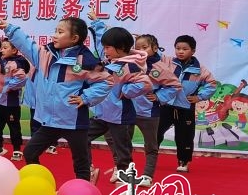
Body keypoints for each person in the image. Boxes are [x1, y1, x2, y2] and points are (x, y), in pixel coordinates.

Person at [0, 18, 112, 181]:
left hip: (73, 122)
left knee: (81, 163)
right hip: (49, 121)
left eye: (60, 32)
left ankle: (84, 192)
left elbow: (106, 81)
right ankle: (38, 182)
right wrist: (10, 29)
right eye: (55, 31)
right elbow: (26, 44)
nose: (55, 36)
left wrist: (85, 97)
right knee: (30, 152)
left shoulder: (85, 60)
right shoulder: (45, 53)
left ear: (74, 38)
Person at [86, 26, 152, 184]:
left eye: (107, 47)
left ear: (121, 48)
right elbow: (105, 42)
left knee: (123, 154)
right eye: (104, 46)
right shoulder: (110, 60)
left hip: (120, 116)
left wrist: (126, 90)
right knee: (82, 136)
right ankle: (88, 170)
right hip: (102, 114)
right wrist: (97, 24)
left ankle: (126, 186)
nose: (104, 50)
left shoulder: (130, 65)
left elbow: (146, 84)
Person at [157, 35, 217, 172]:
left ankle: (183, 162)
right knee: (156, 132)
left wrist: (200, 97)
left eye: (185, 49)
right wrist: (146, 42)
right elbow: (154, 54)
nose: (180, 51)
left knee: (185, 135)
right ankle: (152, 158)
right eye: (178, 48)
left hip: (186, 107)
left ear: (193, 51)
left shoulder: (200, 69)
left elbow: (212, 84)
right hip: (166, 104)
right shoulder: (167, 62)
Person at [131, 34, 182, 186]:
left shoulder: (160, 67)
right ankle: (122, 170)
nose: (141, 51)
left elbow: (175, 86)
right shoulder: (132, 63)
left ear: (154, 49)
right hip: (129, 110)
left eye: (145, 48)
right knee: (122, 142)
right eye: (137, 48)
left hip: (149, 113)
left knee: (151, 146)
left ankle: (147, 176)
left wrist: (159, 96)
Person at [0, 39, 29, 160]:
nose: (2, 50)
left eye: (5, 48)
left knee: (14, 127)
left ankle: (17, 150)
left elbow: (22, 79)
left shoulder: (17, 63)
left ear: (14, 50)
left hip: (11, 103)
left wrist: (7, 88)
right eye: (1, 48)